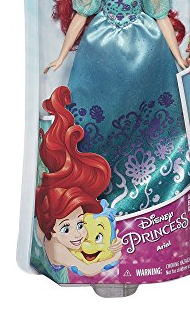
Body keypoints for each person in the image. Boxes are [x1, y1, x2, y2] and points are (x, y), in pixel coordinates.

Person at [44, 0, 190, 216]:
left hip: (146, 51)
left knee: (150, 117)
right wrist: (61, 55)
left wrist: (179, 58)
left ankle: (155, 190)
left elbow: (160, 16)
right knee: (97, 116)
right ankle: (96, 185)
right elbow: (82, 15)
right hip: (101, 52)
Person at [34, 86, 122, 277]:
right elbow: (90, 269)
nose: (78, 234)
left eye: (80, 225)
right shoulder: (58, 248)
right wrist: (116, 254)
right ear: (53, 230)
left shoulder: (50, 228)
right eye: (66, 228)